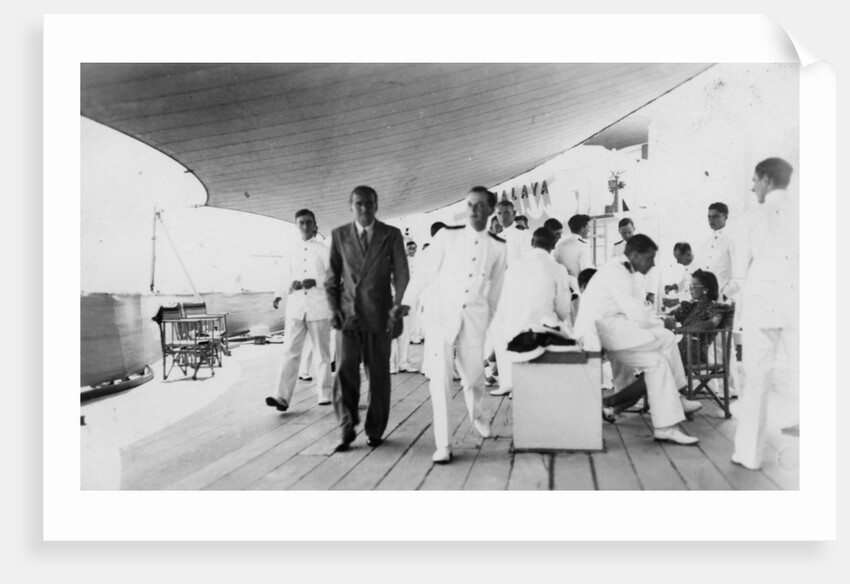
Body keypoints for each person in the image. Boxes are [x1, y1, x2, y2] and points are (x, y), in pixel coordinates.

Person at [401, 186, 507, 463]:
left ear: (490, 209)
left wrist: (485, 323)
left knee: (473, 378)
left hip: (474, 318)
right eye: (470, 204)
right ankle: (444, 444)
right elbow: (424, 273)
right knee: (440, 381)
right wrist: (407, 302)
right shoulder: (447, 236)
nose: (474, 210)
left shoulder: (498, 246)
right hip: (440, 317)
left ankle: (478, 414)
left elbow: (495, 292)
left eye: (480, 205)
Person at [573, 234, 702, 443]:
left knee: (659, 359)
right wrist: (663, 323)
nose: (652, 264)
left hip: (612, 328)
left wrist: (661, 323)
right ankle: (677, 401)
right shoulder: (618, 273)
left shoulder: (623, 270)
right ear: (634, 255)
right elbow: (637, 315)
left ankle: (667, 422)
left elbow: (638, 312)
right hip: (602, 331)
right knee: (665, 340)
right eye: (649, 258)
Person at [325, 186, 409, 452]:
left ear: (376, 205)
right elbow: (331, 278)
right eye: (359, 203)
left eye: (369, 203)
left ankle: (375, 430)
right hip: (348, 316)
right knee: (344, 372)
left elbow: (402, 274)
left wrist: (397, 306)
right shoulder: (339, 235)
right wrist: (333, 309)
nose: (364, 208)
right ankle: (346, 428)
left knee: (379, 375)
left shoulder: (391, 234)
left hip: (380, 315)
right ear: (351, 206)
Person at [730, 157, 799, 470]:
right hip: (801, 302)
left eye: (755, 180)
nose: (753, 187)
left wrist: (738, 307)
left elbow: (740, 272)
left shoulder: (752, 217)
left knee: (756, 381)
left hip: (762, 302)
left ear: (767, 179)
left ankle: (749, 454)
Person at [489, 227, 572, 398]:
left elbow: (503, 299)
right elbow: (563, 307)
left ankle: (510, 383)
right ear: (553, 245)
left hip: (513, 326)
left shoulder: (515, 266)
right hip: (542, 329)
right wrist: (560, 320)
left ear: (532, 243)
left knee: (503, 330)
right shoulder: (557, 268)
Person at [266, 209, 333, 412]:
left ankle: (324, 393)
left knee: (321, 353)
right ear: (296, 226)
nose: (305, 226)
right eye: (301, 222)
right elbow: (283, 275)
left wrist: (317, 282)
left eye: (308, 222)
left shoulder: (324, 250)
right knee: (290, 351)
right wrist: (282, 291)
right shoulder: (291, 251)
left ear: (315, 225)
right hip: (296, 307)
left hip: (318, 307)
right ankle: (282, 397)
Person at [664, 269, 733, 365]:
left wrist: (682, 330)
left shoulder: (714, 307)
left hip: (695, 354)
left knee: (657, 359)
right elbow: (673, 317)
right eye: (690, 285)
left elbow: (711, 323)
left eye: (694, 286)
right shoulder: (692, 306)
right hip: (682, 349)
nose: (690, 289)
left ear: (705, 289)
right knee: (656, 354)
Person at [390, 239, 420, 372]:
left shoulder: (405, 262)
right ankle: (391, 364)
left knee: (405, 333)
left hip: (404, 300)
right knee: (391, 335)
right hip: (390, 300)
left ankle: (403, 362)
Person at [697, 202, 735, 299]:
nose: (711, 220)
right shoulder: (706, 242)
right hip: (706, 297)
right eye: (709, 217)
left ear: (725, 217)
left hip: (723, 297)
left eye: (715, 217)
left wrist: (726, 294)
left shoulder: (732, 239)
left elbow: (740, 270)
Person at [553, 214, 594, 279]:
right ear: (582, 229)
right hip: (576, 284)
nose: (590, 230)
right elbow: (587, 272)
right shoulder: (583, 246)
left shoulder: (559, 245)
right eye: (588, 227)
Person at [661, 242, 696, 311]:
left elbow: (697, 292)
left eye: (679, 259)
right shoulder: (688, 265)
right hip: (688, 304)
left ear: (688, 254)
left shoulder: (700, 266)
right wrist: (674, 286)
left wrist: (677, 301)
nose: (677, 262)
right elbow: (685, 281)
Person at [494, 199, 531, 265]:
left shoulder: (523, 233)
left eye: (506, 213)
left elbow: (529, 261)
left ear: (514, 213)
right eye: (499, 213)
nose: (502, 217)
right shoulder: (498, 237)